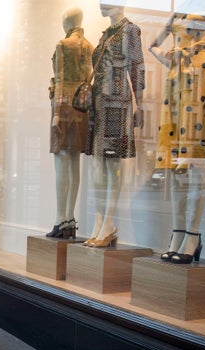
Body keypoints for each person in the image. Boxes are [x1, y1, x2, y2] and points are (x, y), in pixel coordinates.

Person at [149, 0, 205, 264]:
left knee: (197, 162)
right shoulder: (180, 6)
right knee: (175, 165)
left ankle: (193, 235)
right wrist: (170, 59)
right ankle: (177, 232)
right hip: (176, 81)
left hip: (202, 77)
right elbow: (153, 44)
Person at [84, 2, 145, 248]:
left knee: (111, 164)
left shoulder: (130, 31)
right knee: (98, 166)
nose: (101, 3)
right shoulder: (105, 34)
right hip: (99, 105)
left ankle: (109, 222)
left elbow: (137, 68)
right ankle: (99, 222)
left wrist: (140, 103)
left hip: (117, 104)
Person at [47, 6, 93, 239]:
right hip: (82, 109)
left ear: (67, 21)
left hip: (64, 107)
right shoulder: (89, 46)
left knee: (61, 162)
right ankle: (69, 218)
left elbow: (62, 79)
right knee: (74, 161)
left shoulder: (63, 45)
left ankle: (60, 218)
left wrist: (56, 113)